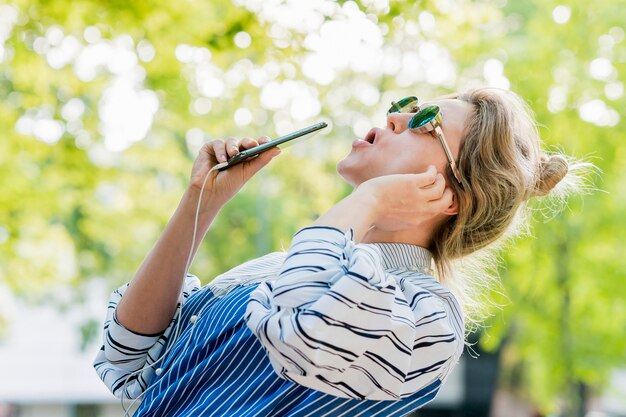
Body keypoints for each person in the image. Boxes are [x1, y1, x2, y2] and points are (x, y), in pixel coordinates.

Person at [93, 88, 588, 416]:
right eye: (405, 104)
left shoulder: (427, 316)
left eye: (424, 122)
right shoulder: (286, 268)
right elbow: (129, 361)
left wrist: (367, 201)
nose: (392, 117)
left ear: (453, 195)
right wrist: (202, 201)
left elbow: (304, 331)